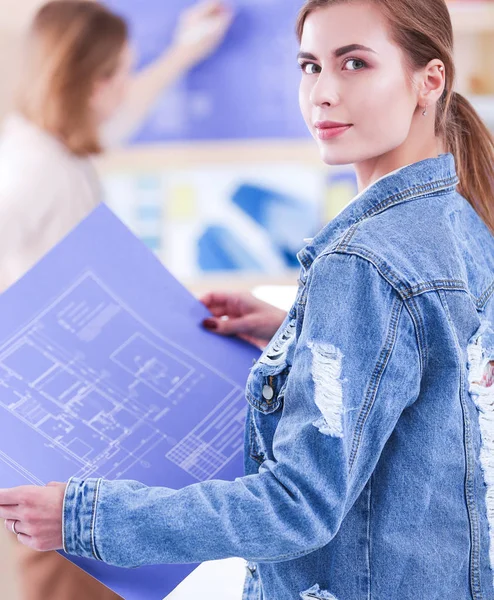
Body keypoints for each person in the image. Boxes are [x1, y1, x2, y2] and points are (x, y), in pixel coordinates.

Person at [2, 0, 494, 598]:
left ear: (430, 80)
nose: (323, 93)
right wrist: (302, 335)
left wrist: (88, 517)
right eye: (310, 66)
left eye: (355, 64)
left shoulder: (362, 264)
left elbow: (296, 507)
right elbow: (430, 393)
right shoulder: (463, 225)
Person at [0, 1, 232, 598]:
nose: (125, 87)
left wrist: (185, 51)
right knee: (68, 576)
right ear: (83, 81)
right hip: (55, 437)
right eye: (116, 74)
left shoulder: (56, 149)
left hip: (74, 434)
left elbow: (122, 113)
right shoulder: (33, 171)